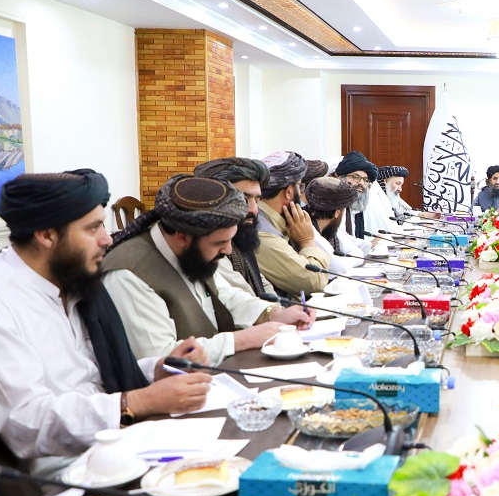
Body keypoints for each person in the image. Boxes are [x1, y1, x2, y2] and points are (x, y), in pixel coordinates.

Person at [0, 169, 211, 477]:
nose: (107, 239)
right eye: (93, 228)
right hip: (64, 477)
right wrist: (137, 402)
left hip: (123, 446)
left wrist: (157, 370)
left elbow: (95, 375)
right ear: (46, 235)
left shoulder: (72, 280)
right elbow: (27, 423)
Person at [103, 175, 311, 365]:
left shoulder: (192, 252)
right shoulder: (129, 274)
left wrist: (273, 314)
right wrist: (241, 340)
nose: (228, 250)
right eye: (220, 243)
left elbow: (226, 296)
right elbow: (161, 359)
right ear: (182, 237)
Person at [194, 157, 274, 297]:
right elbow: (243, 299)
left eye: (257, 200)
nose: (254, 210)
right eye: (243, 199)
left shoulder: (240, 242)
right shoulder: (208, 248)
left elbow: (264, 288)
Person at [254, 151, 330, 297]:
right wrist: (307, 241)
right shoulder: (262, 233)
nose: (301, 194)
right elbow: (314, 281)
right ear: (289, 192)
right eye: (300, 187)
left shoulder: (275, 222)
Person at [305, 177, 364, 275]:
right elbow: (339, 268)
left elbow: (356, 251)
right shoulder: (308, 228)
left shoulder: (330, 229)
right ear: (337, 212)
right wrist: (349, 259)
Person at [335, 151, 395, 238]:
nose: (361, 183)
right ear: (340, 178)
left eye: (365, 179)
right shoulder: (334, 208)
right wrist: (372, 243)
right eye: (356, 177)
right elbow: (342, 241)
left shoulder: (360, 206)